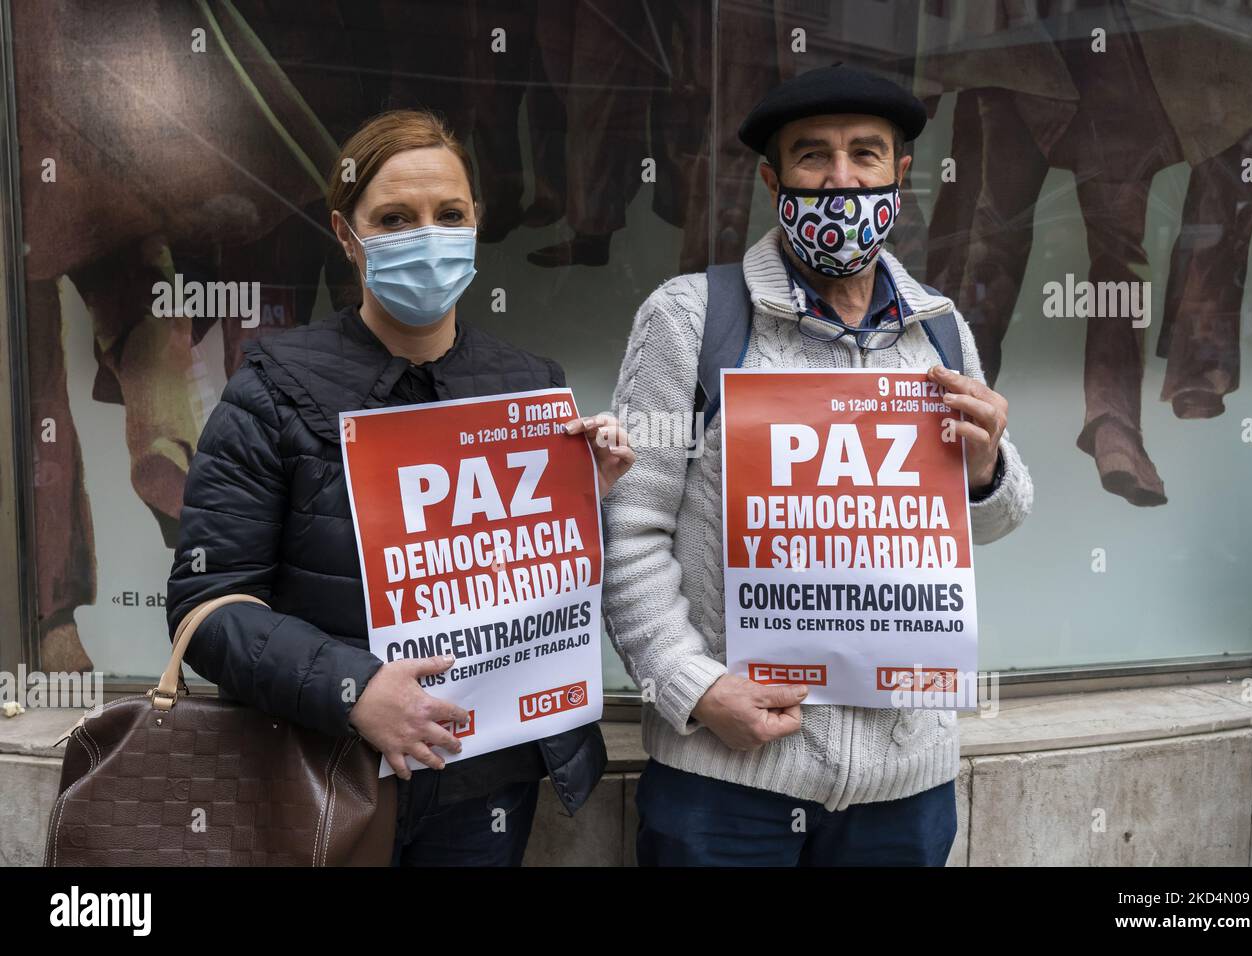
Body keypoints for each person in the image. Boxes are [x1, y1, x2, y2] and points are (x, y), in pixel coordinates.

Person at [166, 109, 634, 867]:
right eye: (394, 218)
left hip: (487, 786)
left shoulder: (531, 385)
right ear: (347, 237)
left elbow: (548, 587)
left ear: (476, 225)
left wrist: (590, 499)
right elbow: (206, 605)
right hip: (328, 779)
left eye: (449, 214)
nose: (427, 235)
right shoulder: (272, 387)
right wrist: (356, 689)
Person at [602, 65, 1033, 866]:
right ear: (774, 180)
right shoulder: (690, 318)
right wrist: (693, 689)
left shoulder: (941, 330)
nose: (842, 180)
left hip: (906, 793)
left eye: (866, 155)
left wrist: (983, 466)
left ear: (900, 176)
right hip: (725, 786)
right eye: (813, 158)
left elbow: (993, 521)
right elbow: (628, 528)